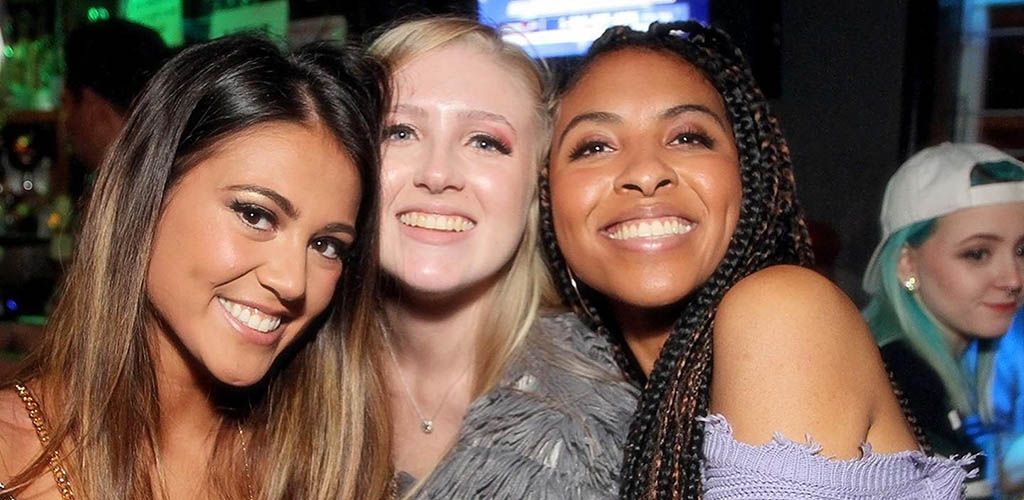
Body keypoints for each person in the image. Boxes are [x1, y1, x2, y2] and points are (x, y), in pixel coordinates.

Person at [541, 22, 971, 498]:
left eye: (687, 137)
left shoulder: (782, 312)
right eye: (594, 146)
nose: (645, 172)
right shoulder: (592, 393)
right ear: (546, 198)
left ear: (749, 176)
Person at [0, 34, 389, 499]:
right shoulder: (10, 455)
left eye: (326, 245)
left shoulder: (331, 465)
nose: (292, 281)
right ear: (145, 196)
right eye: (255, 215)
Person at [365, 17, 637, 499]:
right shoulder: (281, 376)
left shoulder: (593, 426)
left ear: (537, 188)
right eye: (400, 132)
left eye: (485, 141)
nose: (438, 173)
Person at [862, 142, 1024, 499]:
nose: (1013, 279)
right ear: (906, 262)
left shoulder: (923, 377)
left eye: (1022, 250)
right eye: (978, 254)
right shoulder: (900, 384)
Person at [62, 19, 171, 172]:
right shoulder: (182, 175)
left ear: (91, 106)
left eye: (66, 104)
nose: (66, 124)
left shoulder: (120, 190)